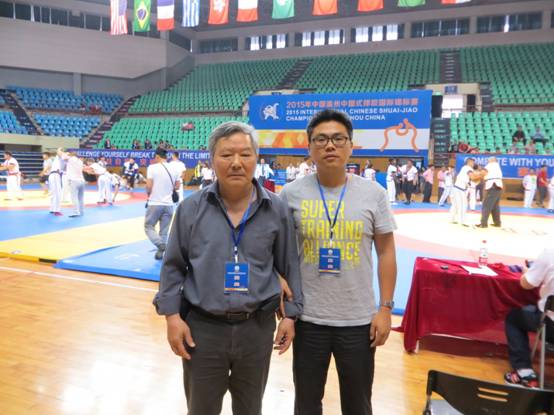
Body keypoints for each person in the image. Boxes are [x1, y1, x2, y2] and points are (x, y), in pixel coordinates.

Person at [153, 121, 303, 415]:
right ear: (212, 160)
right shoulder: (190, 209)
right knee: (201, 409)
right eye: (226, 155)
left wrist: (291, 315)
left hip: (256, 329)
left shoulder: (276, 209)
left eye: (245, 154)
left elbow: (289, 264)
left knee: (250, 409)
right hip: (202, 329)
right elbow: (173, 267)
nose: (236, 162)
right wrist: (171, 317)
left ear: (256, 158)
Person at [280, 109, 397, 415]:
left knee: (358, 405)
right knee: (306, 404)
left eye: (338, 139)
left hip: (358, 322)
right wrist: (286, 310)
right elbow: (279, 253)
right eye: (321, 139)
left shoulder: (374, 194)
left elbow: (386, 252)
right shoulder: (290, 194)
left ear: (350, 146)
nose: (329, 145)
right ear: (310, 147)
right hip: (308, 320)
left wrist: (385, 309)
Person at [504, 246, 554, 388]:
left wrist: (527, 272)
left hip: (551, 326)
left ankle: (523, 371)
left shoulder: (550, 253)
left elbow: (526, 284)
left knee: (513, 317)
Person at [144, 148, 179, 260]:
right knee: (164, 231)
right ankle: (160, 253)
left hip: (155, 202)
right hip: (169, 204)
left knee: (148, 226)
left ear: (157, 156)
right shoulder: (174, 169)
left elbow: (149, 186)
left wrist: (148, 193)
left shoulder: (152, 168)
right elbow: (177, 185)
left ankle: (160, 245)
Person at [450, 158, 479, 226]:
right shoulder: (467, 168)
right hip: (459, 189)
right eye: (473, 162)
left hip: (457, 188)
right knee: (463, 205)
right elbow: (472, 177)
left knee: (455, 205)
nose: (473, 164)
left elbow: (469, 179)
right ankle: (462, 221)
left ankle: (452, 219)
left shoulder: (464, 168)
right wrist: (480, 175)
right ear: (469, 162)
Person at [476, 156, 503, 228]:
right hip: (498, 186)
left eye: (489, 160)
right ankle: (497, 223)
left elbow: (483, 173)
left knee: (486, 205)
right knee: (495, 206)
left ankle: (483, 223)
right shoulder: (497, 166)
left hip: (492, 186)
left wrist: (476, 175)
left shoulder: (490, 165)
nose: (488, 161)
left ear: (492, 160)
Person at [60, 149, 85, 217]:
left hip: (74, 181)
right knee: (81, 198)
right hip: (82, 181)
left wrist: (64, 152)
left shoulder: (71, 159)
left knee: (74, 197)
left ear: (71, 154)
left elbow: (62, 156)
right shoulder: (80, 161)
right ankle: (81, 211)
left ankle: (76, 212)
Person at [48, 149, 64, 216]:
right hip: (55, 175)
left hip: (54, 175)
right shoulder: (58, 157)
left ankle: (52, 208)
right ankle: (56, 210)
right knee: (57, 193)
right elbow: (59, 152)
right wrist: (60, 149)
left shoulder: (58, 160)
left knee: (53, 193)